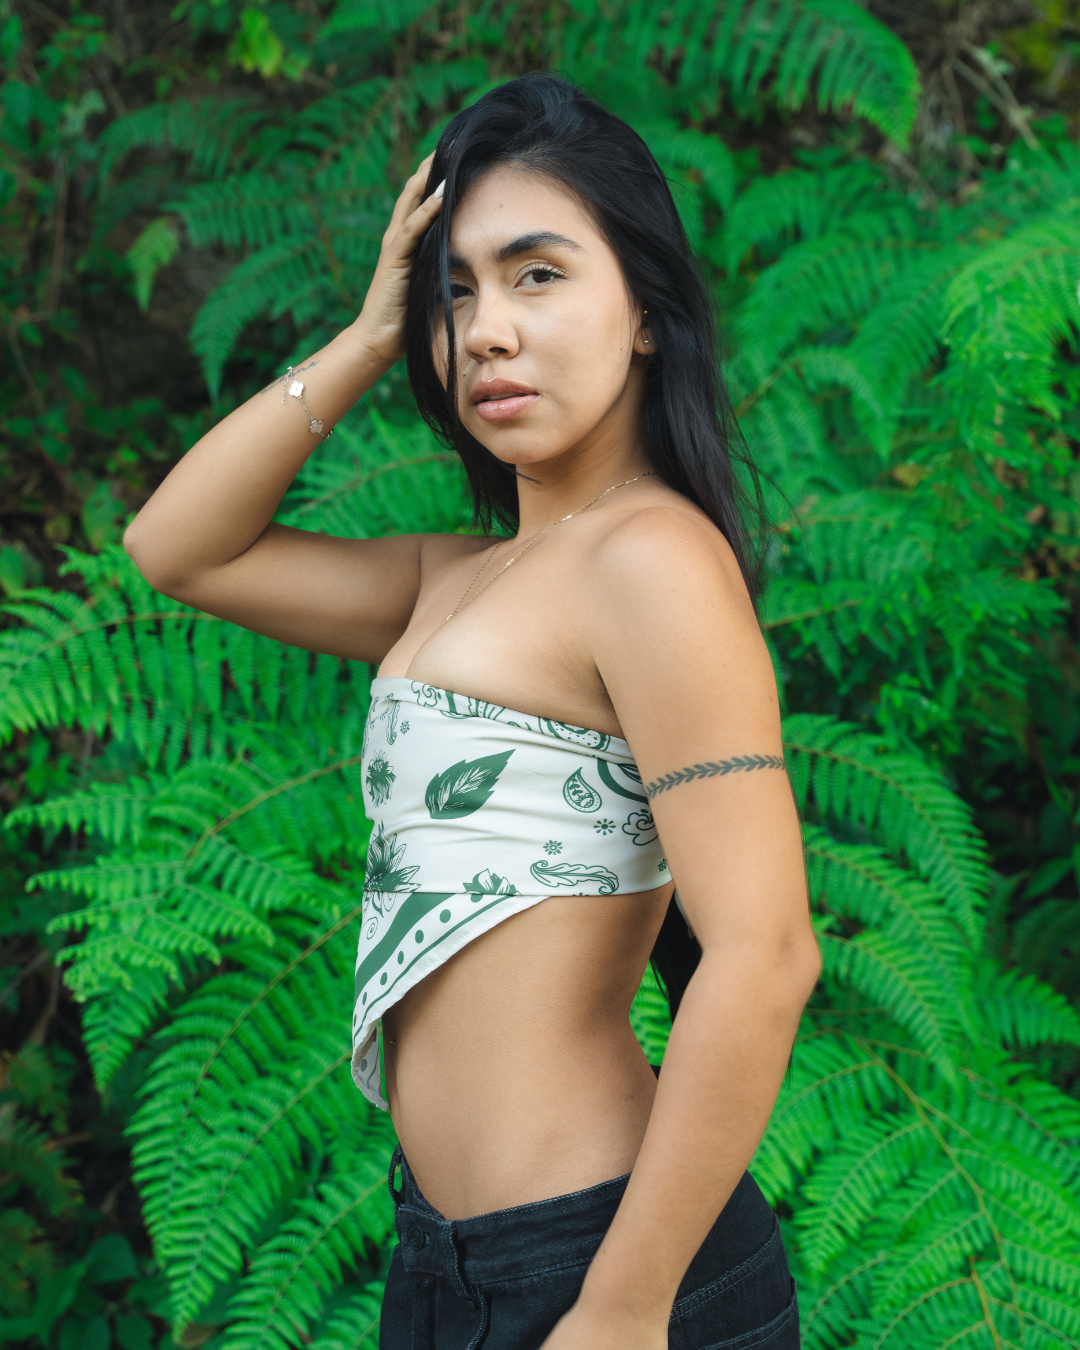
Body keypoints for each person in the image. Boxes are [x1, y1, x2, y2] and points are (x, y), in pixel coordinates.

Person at [124, 72, 819, 1350]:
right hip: (449, 1257)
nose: (487, 331)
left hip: (596, 1266)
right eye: (454, 292)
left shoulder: (651, 564)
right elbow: (177, 549)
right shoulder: (456, 579)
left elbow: (766, 954)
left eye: (537, 275)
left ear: (646, 311)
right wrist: (367, 336)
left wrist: (623, 1308)